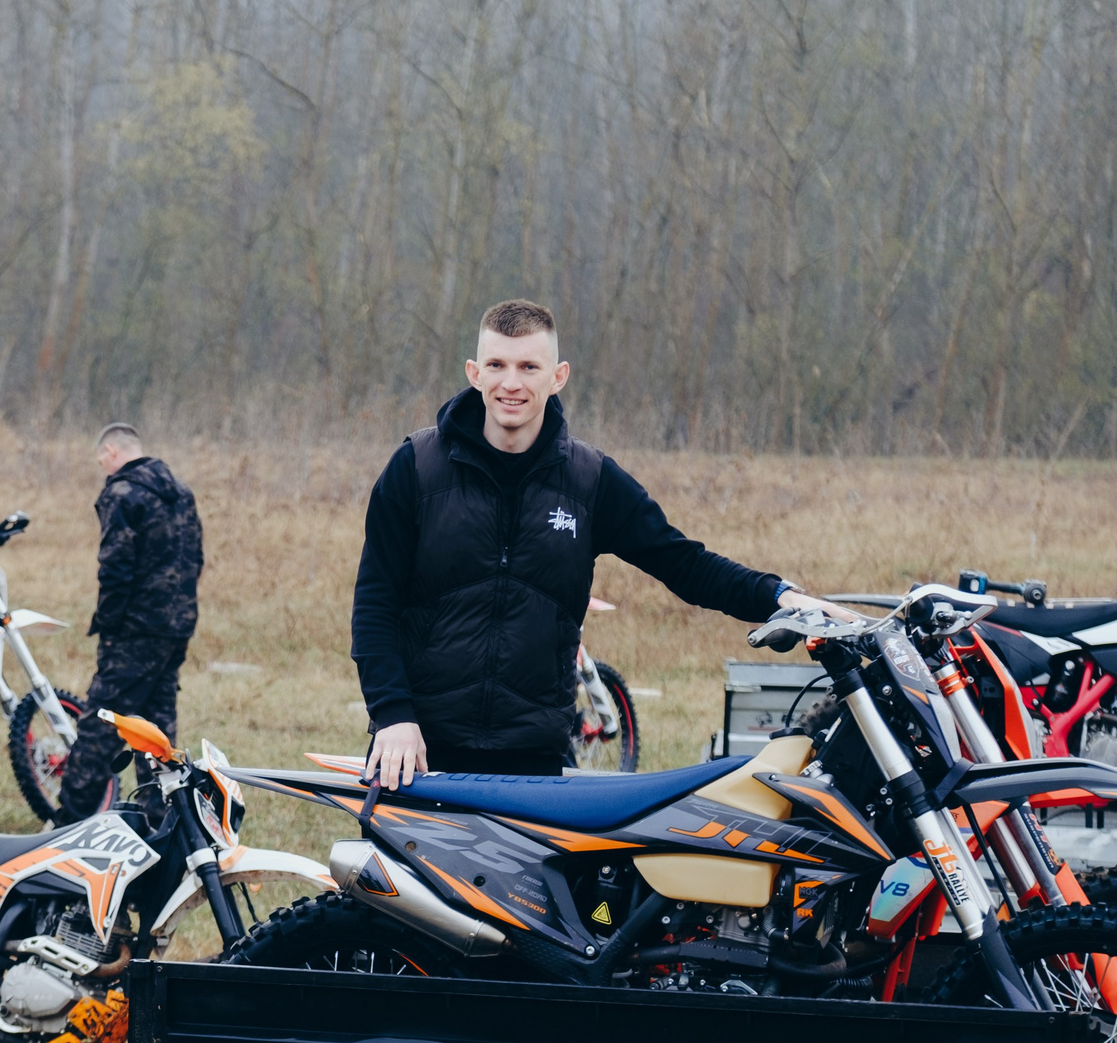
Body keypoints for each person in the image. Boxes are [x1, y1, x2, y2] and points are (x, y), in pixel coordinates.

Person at [353, 299, 851, 785]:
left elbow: (686, 565)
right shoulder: (417, 468)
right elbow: (375, 603)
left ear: (558, 376)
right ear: (474, 373)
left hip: (533, 759)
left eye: (529, 366)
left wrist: (781, 597)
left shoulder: (590, 480)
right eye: (496, 364)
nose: (511, 383)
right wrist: (394, 716)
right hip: (416, 750)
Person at [56, 423, 204, 820]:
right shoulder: (181, 492)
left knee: (101, 724)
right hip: (177, 625)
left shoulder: (122, 493)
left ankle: (68, 823)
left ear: (111, 450)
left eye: (101, 458)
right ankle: (159, 819)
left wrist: (109, 623)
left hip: (134, 630)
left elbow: (115, 568)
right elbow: (195, 558)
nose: (102, 465)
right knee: (157, 728)